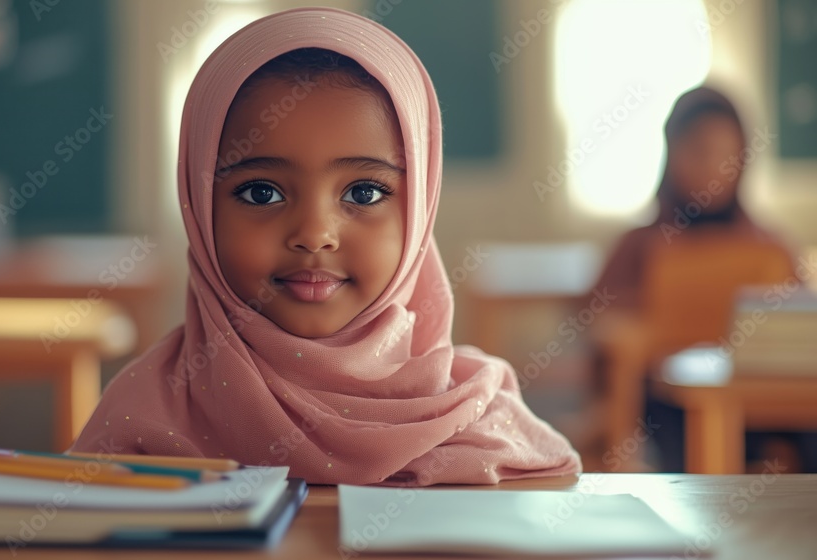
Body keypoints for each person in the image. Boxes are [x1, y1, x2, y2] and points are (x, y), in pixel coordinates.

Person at [69, 6, 581, 485]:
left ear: (420, 207)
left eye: (364, 192)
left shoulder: (479, 421)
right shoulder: (140, 424)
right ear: (199, 206)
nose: (315, 234)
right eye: (261, 192)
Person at [593, 86, 815, 473]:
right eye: (697, 151)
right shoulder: (639, 247)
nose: (711, 166)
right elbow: (601, 328)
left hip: (759, 402)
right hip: (674, 404)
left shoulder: (771, 249)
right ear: (672, 153)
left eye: (725, 154)